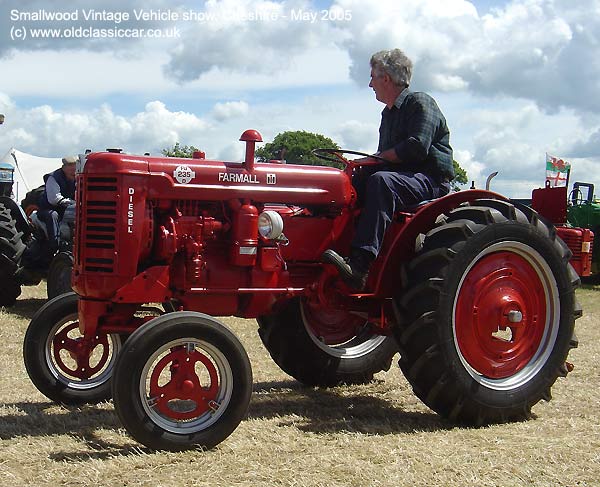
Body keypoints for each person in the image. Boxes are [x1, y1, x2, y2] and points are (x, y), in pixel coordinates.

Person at [322, 48, 455, 290]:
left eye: (372, 76)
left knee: (382, 182)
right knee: (350, 182)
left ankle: (360, 265)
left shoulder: (420, 102)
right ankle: (325, 247)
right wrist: (363, 165)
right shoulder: (389, 114)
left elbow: (416, 148)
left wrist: (377, 158)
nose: (370, 83)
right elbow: (386, 157)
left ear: (386, 78)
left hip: (429, 179)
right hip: (404, 177)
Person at [37, 155, 77, 253]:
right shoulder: (53, 177)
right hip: (47, 209)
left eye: (75, 166)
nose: (73, 169)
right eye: (70, 166)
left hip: (65, 208)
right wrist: (72, 202)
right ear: (64, 168)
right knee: (53, 215)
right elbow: (54, 199)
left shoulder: (77, 178)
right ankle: (55, 245)